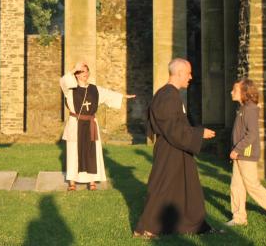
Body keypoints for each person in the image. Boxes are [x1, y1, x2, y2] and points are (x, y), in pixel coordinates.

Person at [134, 58, 216, 237]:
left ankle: (191, 224)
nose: (191, 77)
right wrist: (198, 134)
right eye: (188, 73)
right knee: (162, 186)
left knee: (185, 186)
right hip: (170, 149)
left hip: (177, 148)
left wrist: (195, 132)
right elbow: (171, 128)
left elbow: (177, 125)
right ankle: (147, 227)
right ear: (179, 73)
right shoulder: (167, 95)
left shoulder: (171, 94)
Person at [60, 61, 135, 191]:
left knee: (91, 152)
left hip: (90, 124)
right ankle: (72, 182)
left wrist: (124, 96)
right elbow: (63, 81)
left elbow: (109, 94)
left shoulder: (94, 89)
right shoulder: (70, 89)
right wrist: (73, 69)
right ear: (77, 75)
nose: (85, 74)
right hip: (75, 124)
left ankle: (92, 181)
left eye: (86, 71)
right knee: (73, 152)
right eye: (81, 72)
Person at [226, 79, 266, 226]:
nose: (231, 92)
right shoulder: (243, 108)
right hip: (240, 153)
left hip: (245, 154)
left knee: (252, 186)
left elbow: (252, 135)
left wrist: (237, 149)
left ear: (244, 92)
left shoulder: (250, 109)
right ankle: (239, 218)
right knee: (236, 186)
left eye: (234, 90)